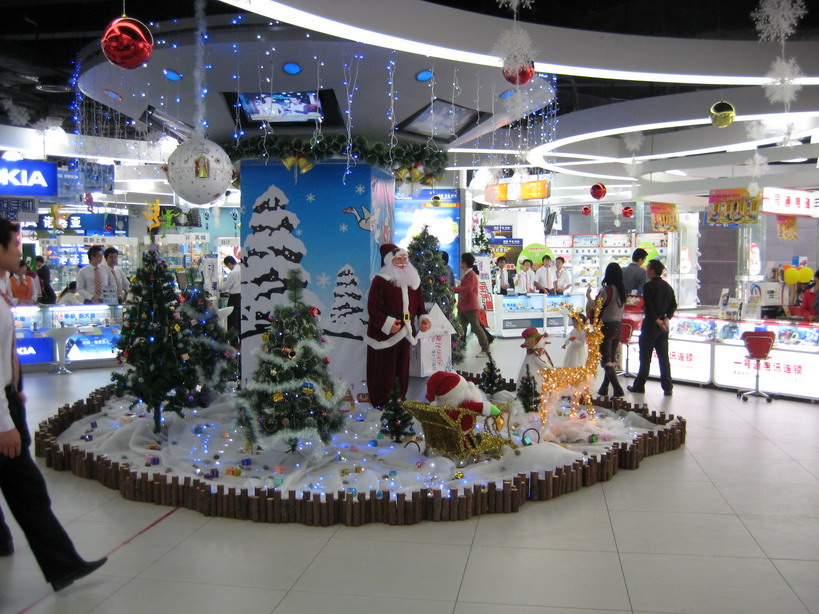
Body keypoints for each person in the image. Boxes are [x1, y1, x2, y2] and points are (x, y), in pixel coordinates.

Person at [0, 218, 107, 590]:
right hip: (1, 409)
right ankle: (63, 566)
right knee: (27, 488)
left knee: (23, 487)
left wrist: (15, 386)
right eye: (16, 243)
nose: (21, 250)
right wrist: (5, 422)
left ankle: (54, 562)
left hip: (8, 396)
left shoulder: (3, 290)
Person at [365, 244, 431, 407]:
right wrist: (387, 324)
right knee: (384, 367)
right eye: (398, 259)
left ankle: (400, 397)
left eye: (404, 259)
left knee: (403, 366)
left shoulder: (413, 281)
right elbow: (373, 308)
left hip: (406, 331)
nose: (402, 262)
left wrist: (423, 319)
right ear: (389, 261)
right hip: (385, 334)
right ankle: (381, 402)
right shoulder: (381, 281)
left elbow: (420, 306)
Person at [628, 259, 677, 396]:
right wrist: (665, 319)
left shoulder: (649, 286)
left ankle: (639, 385)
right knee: (663, 357)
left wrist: (657, 321)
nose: (646, 271)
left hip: (651, 324)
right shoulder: (667, 286)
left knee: (645, 357)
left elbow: (648, 306)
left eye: (648, 268)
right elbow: (673, 305)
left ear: (653, 271)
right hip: (663, 326)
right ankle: (667, 387)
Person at [590, 263, 627, 398]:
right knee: (611, 357)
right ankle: (604, 387)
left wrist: (588, 297)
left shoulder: (607, 290)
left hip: (606, 326)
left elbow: (597, 307)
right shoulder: (623, 291)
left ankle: (617, 389)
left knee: (606, 358)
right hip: (618, 325)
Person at [452, 252, 490, 357]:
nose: (460, 263)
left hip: (470, 307)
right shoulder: (467, 274)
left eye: (461, 261)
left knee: (477, 328)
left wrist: (453, 289)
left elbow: (468, 288)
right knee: (460, 328)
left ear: (465, 262)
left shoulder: (471, 275)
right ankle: (457, 347)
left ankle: (485, 349)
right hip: (463, 306)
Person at [518, 327, 554, 392]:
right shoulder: (534, 354)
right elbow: (542, 364)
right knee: (538, 386)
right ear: (535, 342)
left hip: (541, 376)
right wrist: (552, 369)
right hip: (535, 379)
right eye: (541, 339)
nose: (544, 341)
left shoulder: (541, 352)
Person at [220, 256, 241, 342]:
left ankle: (234, 341)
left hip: (234, 298)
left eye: (227, 266)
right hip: (241, 297)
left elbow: (226, 286)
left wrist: (219, 288)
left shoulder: (233, 272)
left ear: (229, 264)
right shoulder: (241, 269)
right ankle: (240, 341)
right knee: (239, 320)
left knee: (233, 321)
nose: (228, 268)